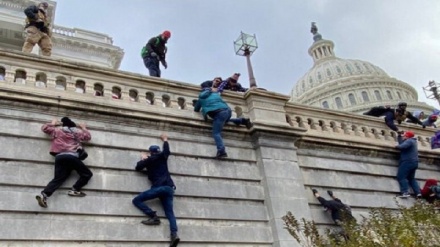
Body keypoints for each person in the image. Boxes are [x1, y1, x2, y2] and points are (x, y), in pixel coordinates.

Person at [132, 133, 180, 247]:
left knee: (136, 200)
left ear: (150, 152)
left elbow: (138, 167)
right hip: (169, 188)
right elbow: (167, 151)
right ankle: (174, 234)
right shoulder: (162, 157)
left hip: (159, 188)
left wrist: (143, 158)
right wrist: (165, 140)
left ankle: (153, 217)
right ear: (158, 151)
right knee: (170, 213)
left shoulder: (149, 159)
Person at [36, 117, 93, 208]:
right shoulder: (77, 132)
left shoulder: (57, 131)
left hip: (59, 157)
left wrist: (53, 123)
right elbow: (88, 137)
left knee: (58, 178)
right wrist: (83, 128)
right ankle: (75, 189)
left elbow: (44, 128)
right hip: (71, 157)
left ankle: (44, 195)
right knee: (87, 174)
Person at [193, 83, 253, 158]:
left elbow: (196, 109)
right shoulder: (215, 94)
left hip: (219, 113)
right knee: (224, 121)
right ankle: (242, 121)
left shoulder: (201, 97)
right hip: (227, 111)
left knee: (216, 133)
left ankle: (221, 151)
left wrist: (197, 105)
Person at [395, 131, 422, 198]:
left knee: (401, 177)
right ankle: (418, 193)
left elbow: (402, 146)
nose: (403, 136)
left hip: (407, 161)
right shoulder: (413, 141)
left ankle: (405, 192)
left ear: (407, 136)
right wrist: (399, 136)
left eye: (404, 135)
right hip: (414, 162)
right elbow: (402, 143)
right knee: (411, 178)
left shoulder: (409, 141)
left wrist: (396, 146)